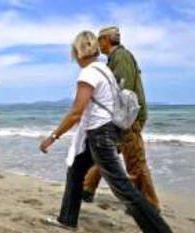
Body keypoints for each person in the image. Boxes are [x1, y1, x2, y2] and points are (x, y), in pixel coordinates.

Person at [39, 31, 172, 232]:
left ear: (77, 51)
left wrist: (53, 137)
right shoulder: (104, 70)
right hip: (102, 132)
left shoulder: (88, 74)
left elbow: (76, 112)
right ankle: (67, 219)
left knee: (123, 188)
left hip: (100, 135)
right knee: (75, 171)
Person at [81, 26, 160, 211]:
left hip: (127, 119)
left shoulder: (121, 57)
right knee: (104, 154)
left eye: (99, 40)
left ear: (106, 40)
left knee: (135, 161)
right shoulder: (115, 58)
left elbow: (123, 92)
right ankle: (86, 189)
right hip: (120, 117)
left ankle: (149, 204)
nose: (98, 45)